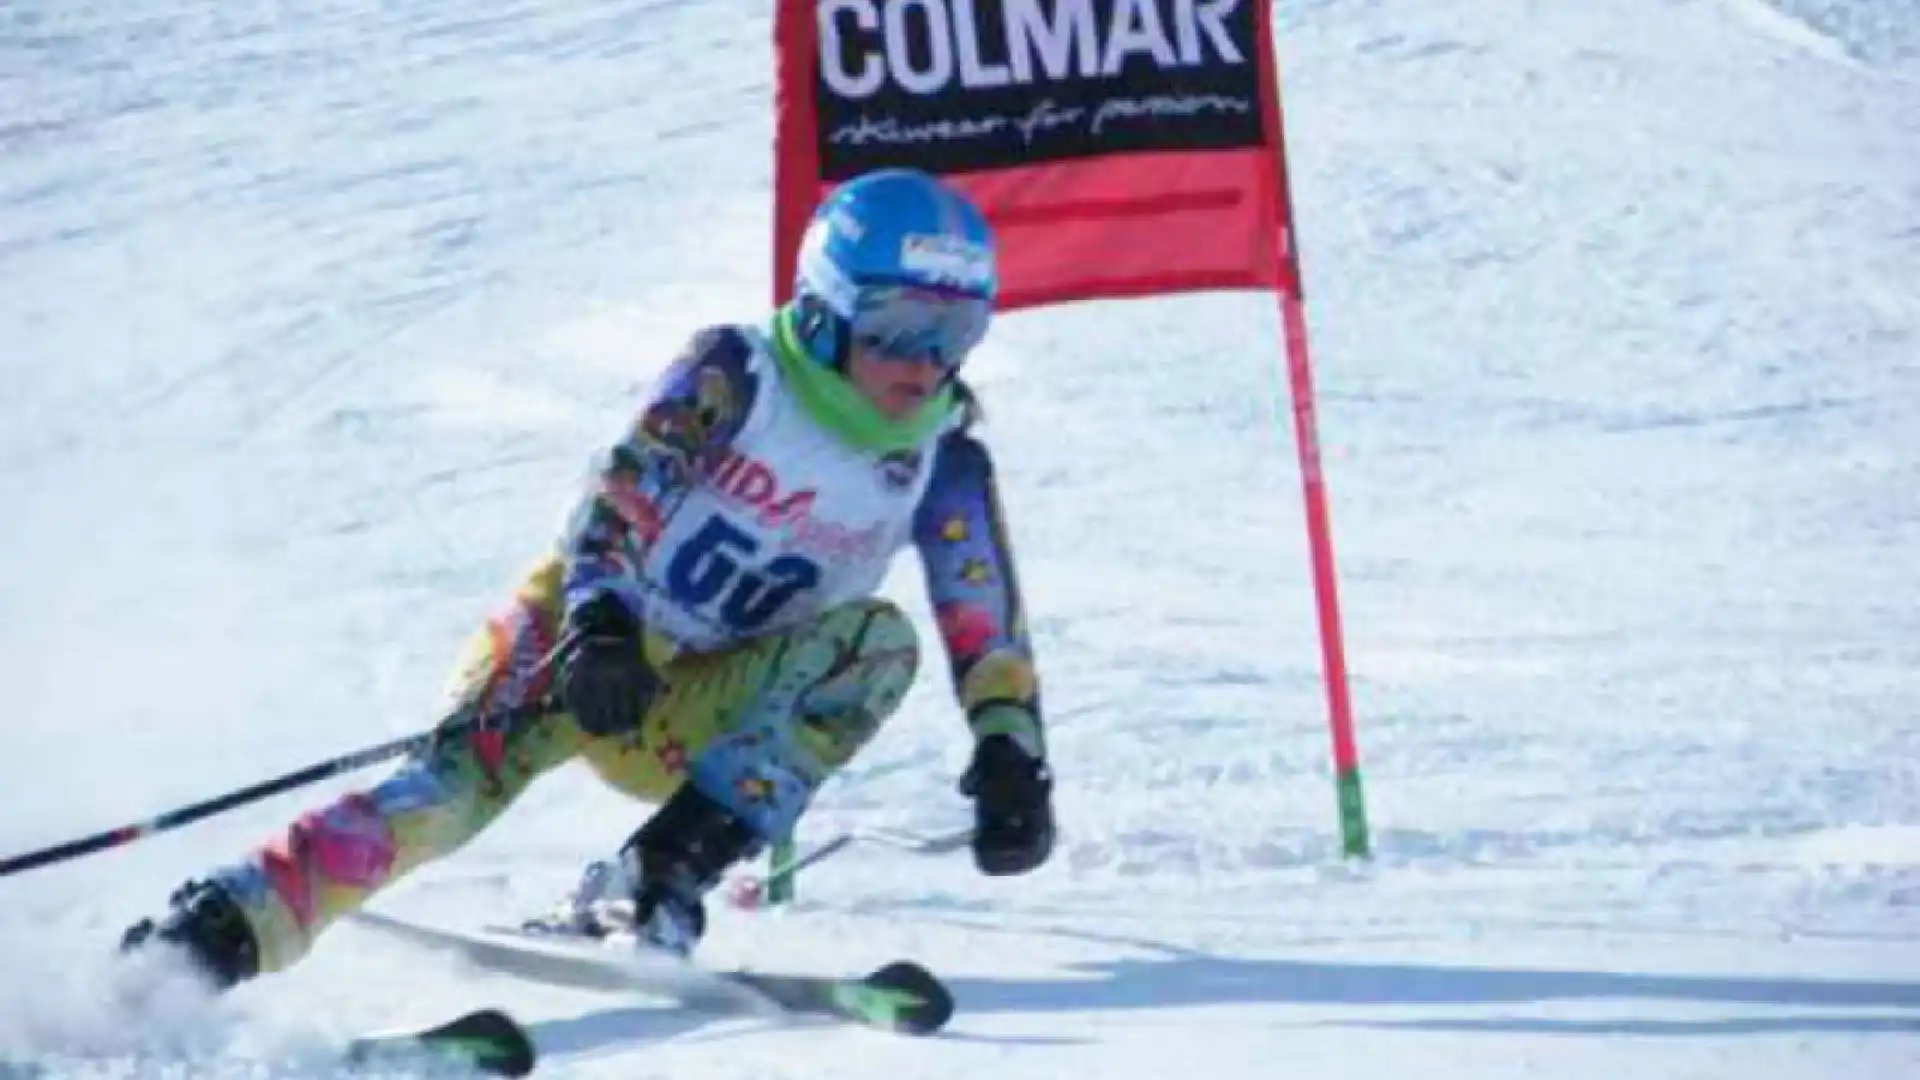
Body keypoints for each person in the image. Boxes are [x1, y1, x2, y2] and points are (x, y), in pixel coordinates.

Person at [119, 168, 1056, 990]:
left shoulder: (944, 461)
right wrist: (600, 620)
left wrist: (1012, 751)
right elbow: (618, 499)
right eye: (900, 326)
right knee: (446, 798)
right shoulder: (738, 374)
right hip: (585, 645)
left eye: (956, 330)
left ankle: (660, 877)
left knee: (876, 644)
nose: (927, 361)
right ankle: (210, 937)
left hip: (704, 716)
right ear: (826, 306)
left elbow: (988, 628)